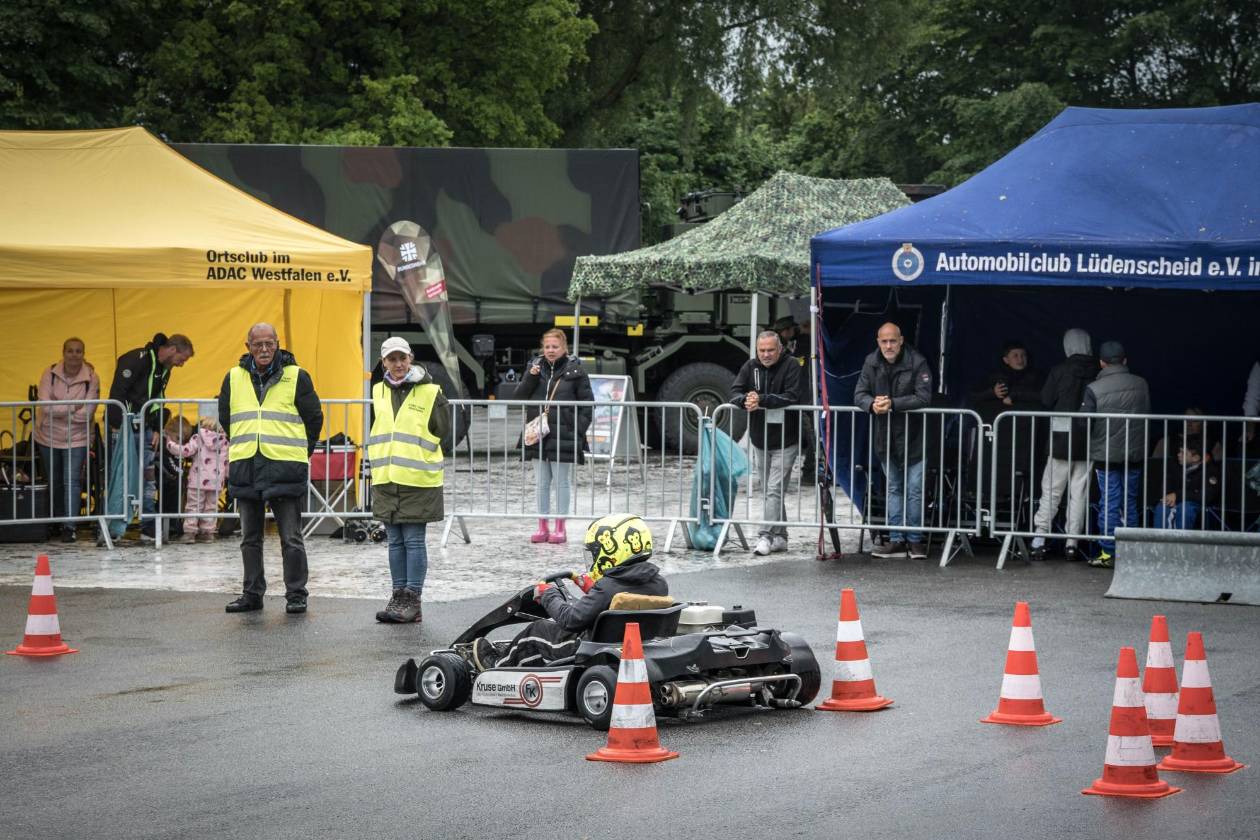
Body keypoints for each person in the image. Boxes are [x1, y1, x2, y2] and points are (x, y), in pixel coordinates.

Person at [471, 514, 668, 670]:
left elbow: (571, 620)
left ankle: (496, 665)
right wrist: (591, 587)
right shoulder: (657, 582)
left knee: (537, 630)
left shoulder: (608, 587)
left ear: (613, 549)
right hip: (632, 643)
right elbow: (613, 599)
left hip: (587, 648)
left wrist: (548, 594)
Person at [218, 323, 323, 614]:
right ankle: (252, 593)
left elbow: (314, 418)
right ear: (247, 346)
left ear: (277, 344)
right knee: (249, 538)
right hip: (247, 465)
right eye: (258, 344)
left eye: (269, 344)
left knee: (291, 537)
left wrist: (303, 451)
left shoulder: (297, 376)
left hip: (284, 466)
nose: (264, 350)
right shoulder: (233, 378)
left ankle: (296, 595)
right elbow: (227, 418)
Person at [370, 337, 450, 624]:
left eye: (402, 358)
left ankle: (412, 598)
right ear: (384, 363)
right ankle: (398, 596)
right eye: (392, 359)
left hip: (418, 478)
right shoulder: (378, 390)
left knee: (413, 541)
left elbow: (443, 429)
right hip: (386, 477)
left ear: (411, 358)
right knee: (394, 541)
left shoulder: (430, 391)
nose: (398, 364)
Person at [105, 332, 195, 542]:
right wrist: (119, 426)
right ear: (173, 349)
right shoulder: (136, 359)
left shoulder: (165, 370)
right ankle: (113, 528)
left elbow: (157, 400)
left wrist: (156, 428)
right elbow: (118, 393)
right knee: (122, 477)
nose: (181, 364)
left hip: (145, 430)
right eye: (182, 359)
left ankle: (147, 528)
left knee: (148, 481)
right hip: (124, 429)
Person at [853, 322, 933, 559]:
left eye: (892, 341)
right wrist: (871, 404)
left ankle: (915, 541)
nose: (888, 345)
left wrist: (893, 404)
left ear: (901, 340)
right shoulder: (871, 361)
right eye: (884, 341)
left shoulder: (917, 361)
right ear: (878, 342)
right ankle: (897, 539)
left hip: (915, 438)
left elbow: (924, 397)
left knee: (915, 490)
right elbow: (859, 394)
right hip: (885, 437)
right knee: (894, 488)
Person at [515, 328, 593, 544]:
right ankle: (542, 526)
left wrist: (575, 431)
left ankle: (560, 527)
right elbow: (519, 397)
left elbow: (587, 406)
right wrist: (530, 378)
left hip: (563, 434)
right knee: (541, 482)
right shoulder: (534, 368)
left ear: (564, 348)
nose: (550, 350)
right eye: (547, 346)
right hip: (538, 433)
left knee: (561, 481)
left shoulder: (575, 371)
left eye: (555, 347)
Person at [730, 330, 804, 555]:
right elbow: (734, 392)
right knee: (769, 490)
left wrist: (761, 400)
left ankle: (765, 536)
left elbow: (793, 396)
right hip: (760, 439)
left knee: (773, 489)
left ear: (780, 349)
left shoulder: (792, 365)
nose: (766, 354)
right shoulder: (750, 366)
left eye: (771, 350)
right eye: (762, 350)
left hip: (787, 439)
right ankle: (781, 536)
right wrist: (746, 400)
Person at [1080, 340, 1150, 568]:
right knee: (1129, 502)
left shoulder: (1094, 388)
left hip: (1106, 455)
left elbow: (1084, 423)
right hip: (1135, 454)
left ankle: (1108, 552)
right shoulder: (1142, 384)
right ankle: (1129, 551)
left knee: (1109, 503)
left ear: (1101, 363)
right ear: (1125, 360)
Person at [1029, 328, 1096, 561]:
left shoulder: (1059, 370)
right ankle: (1072, 543)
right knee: (1079, 492)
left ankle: (1039, 539)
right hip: (1088, 439)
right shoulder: (1098, 371)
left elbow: (1046, 399)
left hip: (1060, 437)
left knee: (1051, 491)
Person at [34, 337, 100, 542]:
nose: (74, 355)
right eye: (70, 351)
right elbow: (45, 405)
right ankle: (56, 520)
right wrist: (73, 407)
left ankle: (69, 527)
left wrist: (60, 408)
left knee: (71, 482)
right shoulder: (49, 373)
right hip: (48, 436)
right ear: (63, 353)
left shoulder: (92, 376)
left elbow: (88, 412)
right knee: (54, 481)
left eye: (78, 351)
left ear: (84, 353)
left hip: (77, 438)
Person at [166, 415, 229, 544]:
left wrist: (170, 444)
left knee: (193, 506)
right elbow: (227, 462)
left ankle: (190, 533)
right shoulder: (224, 442)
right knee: (211, 507)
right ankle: (207, 533)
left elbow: (185, 451)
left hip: (197, 480)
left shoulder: (198, 438)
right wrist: (227, 476)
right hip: (216, 482)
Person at [772, 315, 816, 477]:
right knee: (811, 434)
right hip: (798, 397)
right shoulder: (787, 345)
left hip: (794, 397)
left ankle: (809, 469)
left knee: (805, 434)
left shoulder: (793, 343)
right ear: (786, 331)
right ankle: (810, 470)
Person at [1148, 436, 1219, 530]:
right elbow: (1166, 485)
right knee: (1162, 507)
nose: (1178, 454)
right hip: (1177, 501)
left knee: (1185, 508)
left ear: (1196, 458)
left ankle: (1180, 542)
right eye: (1179, 451)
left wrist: (1178, 496)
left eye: (1183, 453)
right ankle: (1160, 542)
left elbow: (1206, 496)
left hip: (1197, 505)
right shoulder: (1176, 465)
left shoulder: (1211, 470)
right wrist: (1169, 497)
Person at [969, 339, 1043, 424]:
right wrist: (993, 392)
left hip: (1029, 427)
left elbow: (1044, 395)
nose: (1020, 359)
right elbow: (973, 396)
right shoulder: (994, 377)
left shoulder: (1037, 376)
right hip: (999, 429)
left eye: (1023, 355)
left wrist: (1015, 395)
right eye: (1015, 356)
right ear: (1006, 360)